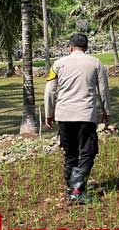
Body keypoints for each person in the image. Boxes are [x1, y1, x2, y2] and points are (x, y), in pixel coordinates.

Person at [45, 33, 111, 204]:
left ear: (70, 47)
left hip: (64, 115)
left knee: (70, 152)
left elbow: (50, 90)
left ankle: (71, 187)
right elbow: (103, 91)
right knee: (88, 152)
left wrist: (48, 113)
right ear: (86, 47)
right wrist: (106, 111)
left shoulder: (58, 64)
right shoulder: (96, 63)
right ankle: (76, 190)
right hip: (85, 115)